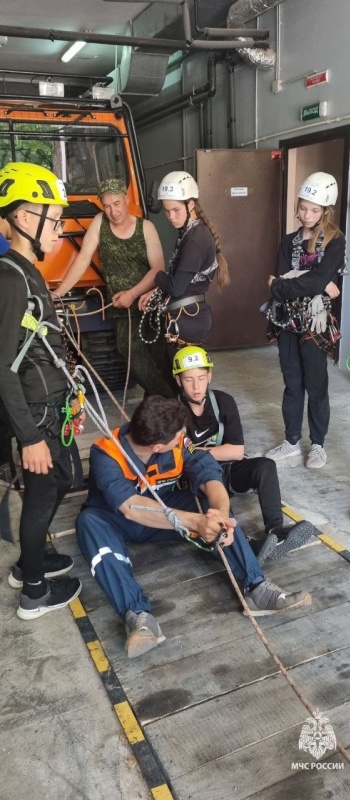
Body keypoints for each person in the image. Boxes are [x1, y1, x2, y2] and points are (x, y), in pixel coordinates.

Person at [76, 396, 311, 659]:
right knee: (88, 523)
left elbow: (209, 474)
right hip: (116, 519)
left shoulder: (177, 440)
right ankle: (138, 616)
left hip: (166, 513)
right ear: (157, 446)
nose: (183, 439)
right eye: (178, 438)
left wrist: (219, 516)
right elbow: (130, 507)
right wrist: (195, 522)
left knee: (206, 504)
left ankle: (256, 587)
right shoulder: (105, 452)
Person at [0, 161, 81, 619]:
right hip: (34, 413)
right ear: (26, 219)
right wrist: (29, 436)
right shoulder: (9, 278)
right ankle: (33, 591)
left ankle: (30, 563)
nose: (61, 231)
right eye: (56, 220)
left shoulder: (28, 273)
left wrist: (70, 400)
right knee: (43, 493)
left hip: (52, 405)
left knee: (62, 480)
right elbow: (1, 367)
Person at [172, 345, 314, 564]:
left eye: (201, 378)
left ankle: (276, 531)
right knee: (212, 513)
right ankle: (247, 547)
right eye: (189, 379)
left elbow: (237, 452)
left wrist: (200, 452)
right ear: (179, 381)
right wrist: (212, 454)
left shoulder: (223, 402)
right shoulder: (171, 410)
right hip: (198, 480)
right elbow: (176, 457)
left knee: (265, 466)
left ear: (209, 376)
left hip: (229, 470)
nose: (196, 386)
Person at [56, 178, 173, 397]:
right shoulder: (100, 222)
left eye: (117, 203)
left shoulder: (145, 227)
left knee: (158, 358)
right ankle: (171, 401)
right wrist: (58, 293)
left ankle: (167, 403)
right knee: (131, 354)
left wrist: (132, 293)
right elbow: (82, 260)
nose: (113, 211)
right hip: (122, 308)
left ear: (126, 199)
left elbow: (158, 269)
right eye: (107, 205)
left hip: (148, 303)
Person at [264, 172, 345, 469]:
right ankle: (292, 443)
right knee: (292, 383)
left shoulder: (335, 242)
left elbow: (284, 282)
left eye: (314, 210)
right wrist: (312, 281)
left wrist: (287, 283)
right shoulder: (288, 242)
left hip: (316, 323)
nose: (307, 215)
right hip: (287, 321)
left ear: (325, 211)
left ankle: (318, 445)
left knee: (317, 383)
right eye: (302, 208)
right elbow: (288, 280)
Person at [139, 171, 230, 372]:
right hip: (186, 316)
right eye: (167, 211)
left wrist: (155, 274)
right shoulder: (190, 232)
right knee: (176, 378)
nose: (171, 217)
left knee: (184, 381)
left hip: (187, 319)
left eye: (176, 210)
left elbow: (176, 286)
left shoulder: (195, 239)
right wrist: (155, 292)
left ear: (191, 205)